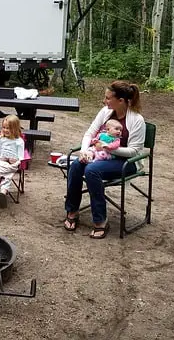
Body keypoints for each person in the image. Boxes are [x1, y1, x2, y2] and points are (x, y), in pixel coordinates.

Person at [64, 81, 145, 239]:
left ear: (120, 100)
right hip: (100, 156)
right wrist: (85, 151)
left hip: (126, 162)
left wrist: (108, 148)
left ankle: (101, 220)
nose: (104, 101)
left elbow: (134, 151)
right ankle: (72, 210)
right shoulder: (105, 112)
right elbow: (90, 133)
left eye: (108, 98)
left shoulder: (137, 120)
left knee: (91, 170)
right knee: (76, 165)